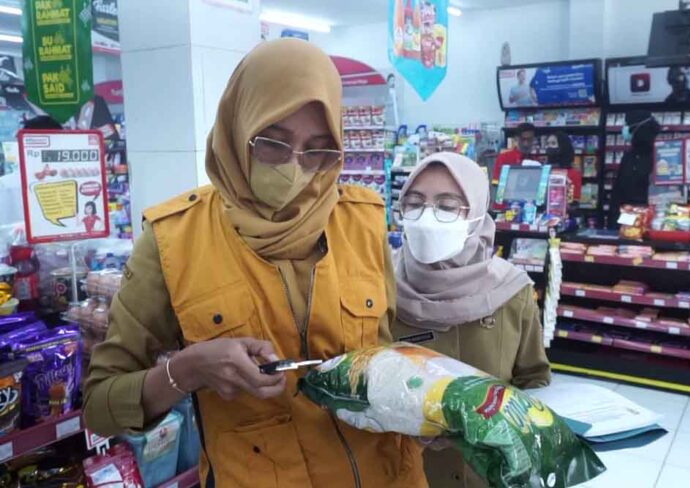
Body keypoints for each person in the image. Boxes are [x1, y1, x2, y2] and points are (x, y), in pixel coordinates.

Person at [83, 39, 427, 488]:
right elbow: (100, 405)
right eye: (273, 144)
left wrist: (426, 406)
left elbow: (388, 357)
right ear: (237, 127)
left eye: (318, 150)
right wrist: (186, 370)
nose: (294, 168)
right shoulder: (173, 241)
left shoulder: (362, 220)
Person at [391, 152, 551, 488]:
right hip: (405, 472)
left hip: (489, 474)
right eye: (414, 204)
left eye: (447, 206)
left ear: (477, 214)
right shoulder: (378, 286)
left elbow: (534, 380)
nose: (426, 218)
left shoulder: (512, 293)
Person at [609, 110, 661, 228]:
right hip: (633, 217)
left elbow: (621, 192)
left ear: (636, 128)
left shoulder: (656, 156)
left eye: (627, 124)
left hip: (644, 219)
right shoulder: (630, 154)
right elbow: (619, 192)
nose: (624, 129)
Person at [546, 131, 581, 201]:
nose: (549, 147)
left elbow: (572, 200)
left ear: (563, 146)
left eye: (553, 143)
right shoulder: (544, 171)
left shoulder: (573, 174)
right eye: (548, 144)